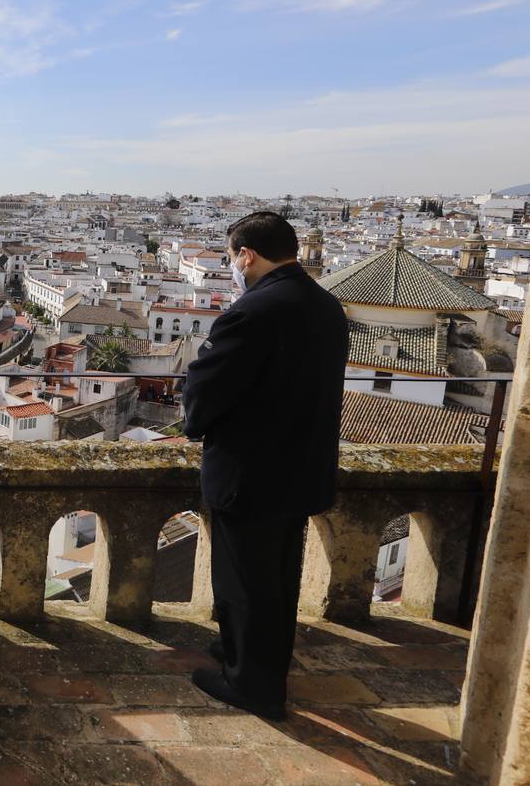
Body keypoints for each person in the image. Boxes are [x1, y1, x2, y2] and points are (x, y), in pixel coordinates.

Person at [182, 211, 349, 720]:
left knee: (244, 578)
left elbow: (207, 387)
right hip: (302, 466)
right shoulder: (327, 306)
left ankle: (251, 685)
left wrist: (194, 420)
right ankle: (249, 653)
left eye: (234, 257)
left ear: (246, 254)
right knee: (277, 576)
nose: (234, 266)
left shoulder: (252, 311)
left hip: (250, 470)